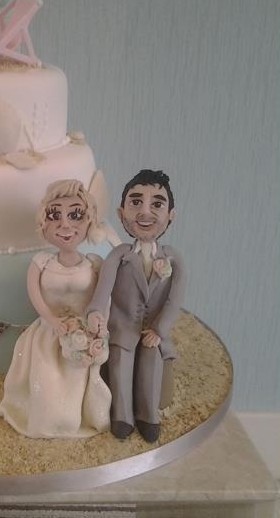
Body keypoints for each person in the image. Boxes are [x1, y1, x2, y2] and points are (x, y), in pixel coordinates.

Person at [0, 180, 112, 438]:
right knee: (46, 381)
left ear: (89, 221)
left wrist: (100, 325)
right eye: (55, 215)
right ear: (44, 222)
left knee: (77, 383)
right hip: (49, 335)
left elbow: (103, 299)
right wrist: (52, 321)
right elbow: (36, 297)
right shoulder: (41, 263)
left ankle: (76, 418)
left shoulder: (94, 263)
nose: (65, 224)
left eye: (76, 215)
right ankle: (48, 421)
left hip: (83, 336)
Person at [86, 169, 186, 443]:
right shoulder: (118, 256)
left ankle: (148, 416)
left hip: (153, 330)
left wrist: (160, 329)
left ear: (170, 216)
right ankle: (123, 416)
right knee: (120, 365)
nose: (145, 212)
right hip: (122, 327)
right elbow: (103, 289)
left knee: (151, 365)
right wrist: (95, 311)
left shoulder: (174, 259)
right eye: (135, 202)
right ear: (121, 214)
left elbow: (174, 299)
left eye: (157, 204)